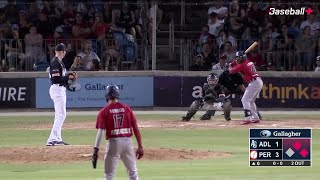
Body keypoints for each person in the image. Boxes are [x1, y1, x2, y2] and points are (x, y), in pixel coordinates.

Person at [92, 85, 144, 180]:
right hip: (128, 143)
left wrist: (95, 151)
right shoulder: (127, 108)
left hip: (113, 143)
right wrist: (140, 146)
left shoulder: (104, 112)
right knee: (133, 173)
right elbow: (136, 128)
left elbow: (100, 132)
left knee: (109, 174)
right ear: (117, 95)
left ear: (106, 96)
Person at [46, 43, 78, 146]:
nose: (65, 54)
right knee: (60, 114)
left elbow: (62, 79)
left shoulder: (60, 63)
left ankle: (57, 138)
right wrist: (68, 77)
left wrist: (69, 83)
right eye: (64, 52)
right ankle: (52, 139)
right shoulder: (55, 62)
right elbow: (55, 79)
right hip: (56, 89)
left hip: (60, 89)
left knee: (61, 114)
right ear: (62, 52)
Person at [228, 51, 263, 125]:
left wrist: (230, 66)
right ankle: (256, 117)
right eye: (237, 58)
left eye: (239, 58)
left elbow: (232, 71)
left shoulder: (243, 65)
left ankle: (248, 118)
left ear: (243, 57)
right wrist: (235, 63)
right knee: (251, 101)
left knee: (245, 99)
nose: (237, 59)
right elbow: (239, 65)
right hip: (257, 81)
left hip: (254, 83)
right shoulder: (248, 62)